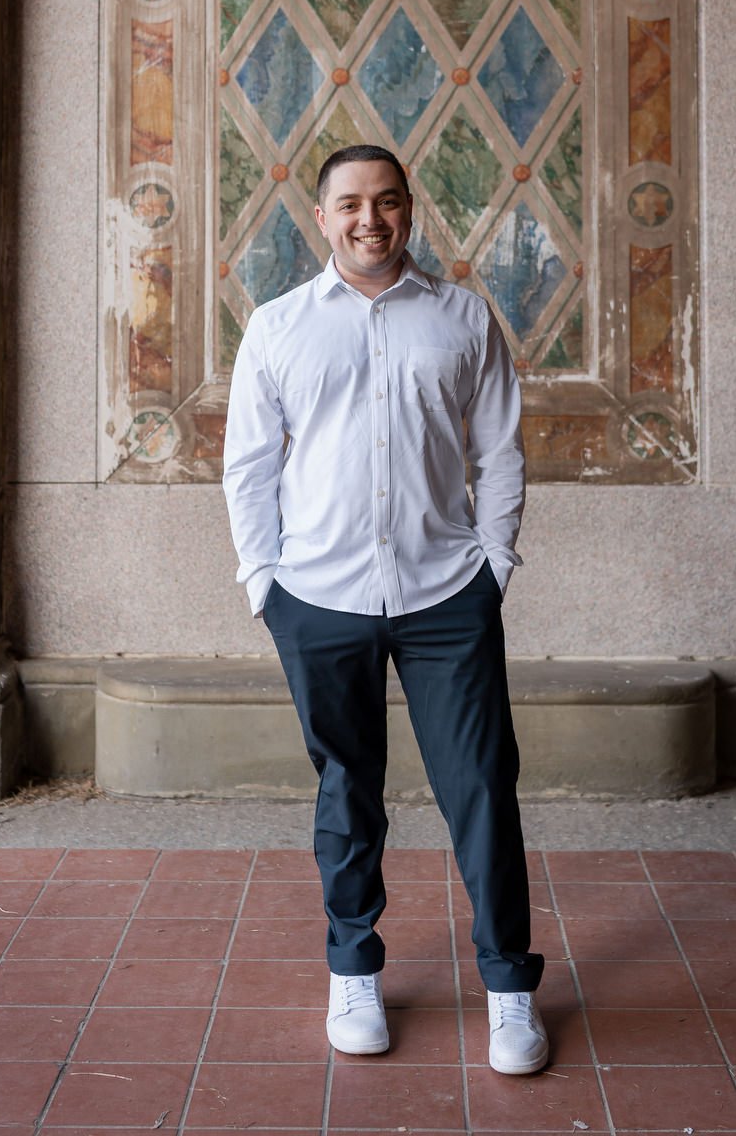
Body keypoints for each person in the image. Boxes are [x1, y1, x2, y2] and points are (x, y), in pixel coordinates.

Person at [222, 142, 547, 1074]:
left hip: (447, 595)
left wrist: (494, 567)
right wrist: (265, 586)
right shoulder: (279, 327)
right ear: (320, 218)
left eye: (390, 202)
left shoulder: (462, 320)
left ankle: (510, 991)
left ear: (411, 211)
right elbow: (249, 466)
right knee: (346, 790)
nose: (372, 219)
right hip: (317, 598)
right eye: (351, 204)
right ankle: (354, 968)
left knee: (482, 787)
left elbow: (501, 452)